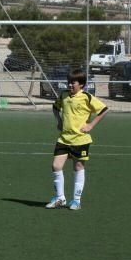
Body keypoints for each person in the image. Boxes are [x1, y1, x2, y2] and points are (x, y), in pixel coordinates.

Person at [45, 69, 108, 211]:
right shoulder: (64, 95)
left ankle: (76, 201)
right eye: (69, 82)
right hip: (64, 138)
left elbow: (104, 110)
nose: (70, 85)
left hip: (81, 140)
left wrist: (91, 125)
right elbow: (55, 107)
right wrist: (59, 121)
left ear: (81, 85)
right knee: (56, 166)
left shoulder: (86, 97)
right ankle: (60, 198)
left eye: (73, 83)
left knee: (78, 167)